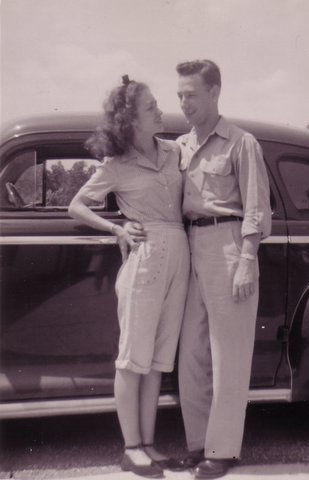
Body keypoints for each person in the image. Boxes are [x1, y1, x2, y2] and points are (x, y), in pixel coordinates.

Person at [68, 76, 190, 478]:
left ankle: (150, 444)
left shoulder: (175, 151)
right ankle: (131, 447)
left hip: (180, 254)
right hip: (146, 255)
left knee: (157, 360)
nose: (160, 109)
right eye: (151, 106)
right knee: (132, 358)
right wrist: (117, 228)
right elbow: (76, 206)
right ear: (130, 119)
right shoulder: (116, 166)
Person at [175, 60, 272, 479]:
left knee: (228, 354)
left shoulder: (241, 143)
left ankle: (223, 450)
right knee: (192, 352)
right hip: (189, 245)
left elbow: (256, 209)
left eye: (191, 94)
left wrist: (246, 261)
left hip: (229, 245)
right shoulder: (180, 145)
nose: (184, 103)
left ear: (214, 92)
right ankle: (198, 443)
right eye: (179, 95)